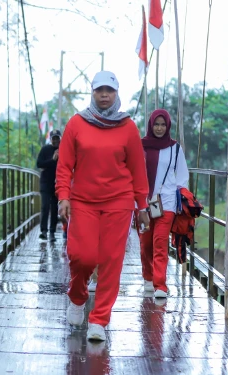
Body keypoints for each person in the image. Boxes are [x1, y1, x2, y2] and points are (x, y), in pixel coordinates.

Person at [56, 70, 150, 342]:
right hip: (83, 200)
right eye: (100, 90)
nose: (105, 95)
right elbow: (64, 166)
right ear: (93, 93)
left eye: (110, 90)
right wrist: (64, 196)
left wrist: (142, 205)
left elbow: (138, 170)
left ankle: (99, 320)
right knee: (81, 255)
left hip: (119, 202)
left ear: (117, 93)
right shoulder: (76, 123)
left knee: (110, 261)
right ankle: (77, 296)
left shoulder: (128, 127)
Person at [139, 109, 187, 298]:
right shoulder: (139, 146)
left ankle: (160, 285)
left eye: (163, 124)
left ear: (168, 126)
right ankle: (148, 278)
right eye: (156, 124)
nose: (159, 128)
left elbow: (182, 176)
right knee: (145, 244)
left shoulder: (175, 148)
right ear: (151, 125)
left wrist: (182, 199)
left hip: (166, 202)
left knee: (160, 242)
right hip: (143, 203)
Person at [36, 129, 62, 241]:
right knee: (45, 206)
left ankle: (52, 232)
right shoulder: (45, 149)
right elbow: (39, 164)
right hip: (46, 183)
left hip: (58, 183)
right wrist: (53, 160)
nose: (56, 140)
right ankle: (44, 231)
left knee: (55, 208)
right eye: (54, 138)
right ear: (51, 139)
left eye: (57, 138)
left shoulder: (64, 149)